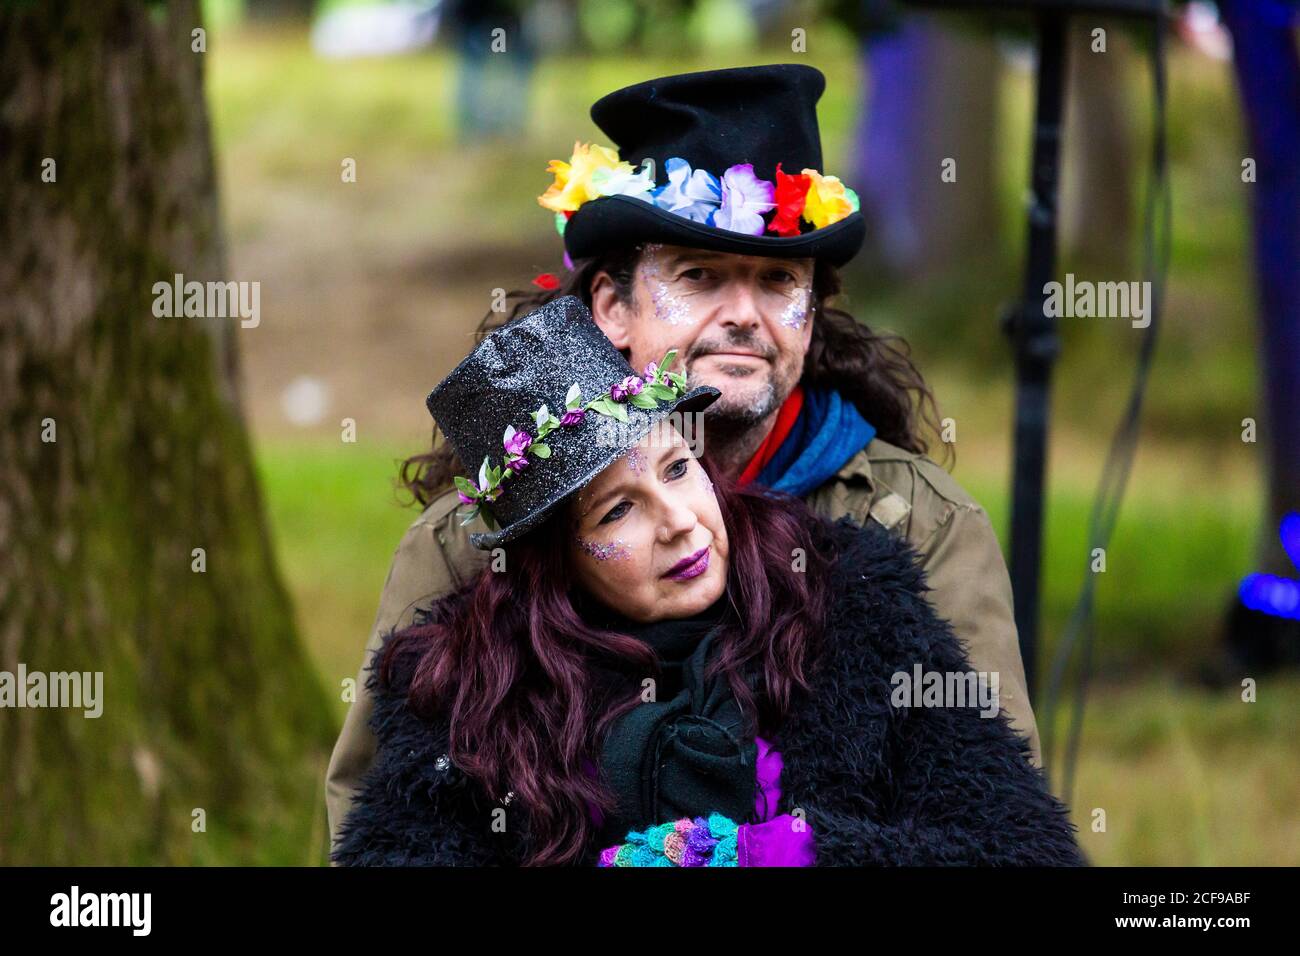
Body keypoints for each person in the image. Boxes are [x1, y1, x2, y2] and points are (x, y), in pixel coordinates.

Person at [326, 63, 1040, 849]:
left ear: (813, 312)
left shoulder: (918, 527)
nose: (744, 314)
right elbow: (378, 820)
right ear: (612, 308)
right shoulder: (467, 545)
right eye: (699, 277)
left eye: (777, 280)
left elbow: (993, 817)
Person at [331, 296, 1083, 866]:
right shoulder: (466, 691)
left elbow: (1021, 850)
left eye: (679, 469)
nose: (682, 522)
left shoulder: (850, 607)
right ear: (551, 563)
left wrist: (783, 850)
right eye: (618, 511)